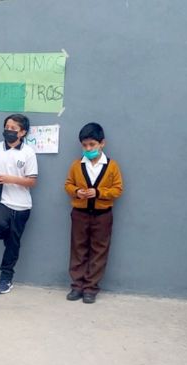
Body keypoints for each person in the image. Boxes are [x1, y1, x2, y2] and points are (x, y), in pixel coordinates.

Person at [64, 122, 123, 304]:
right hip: (80, 213)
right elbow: (68, 184)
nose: (88, 148)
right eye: (85, 145)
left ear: (101, 143)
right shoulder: (76, 165)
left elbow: (118, 189)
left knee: (99, 251)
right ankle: (77, 286)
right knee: (78, 248)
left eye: (92, 145)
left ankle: (91, 288)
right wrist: (76, 192)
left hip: (102, 215)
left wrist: (99, 193)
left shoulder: (112, 166)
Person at [0, 114, 38, 294]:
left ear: (22, 133)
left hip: (21, 205)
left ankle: (6, 278)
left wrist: (11, 179)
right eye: (7, 127)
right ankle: (3, 232)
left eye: (13, 128)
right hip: (0, 199)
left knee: (12, 244)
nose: (9, 130)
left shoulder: (28, 152)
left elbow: (32, 181)